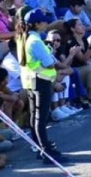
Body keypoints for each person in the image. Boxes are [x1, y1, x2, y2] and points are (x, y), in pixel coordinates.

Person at [17, 9, 66, 163]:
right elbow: (49, 63)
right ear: (36, 24)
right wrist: (50, 53)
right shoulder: (35, 41)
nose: (46, 23)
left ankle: (40, 147)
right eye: (43, 21)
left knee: (35, 116)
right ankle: (46, 150)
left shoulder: (25, 38)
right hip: (41, 80)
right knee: (40, 118)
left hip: (31, 81)